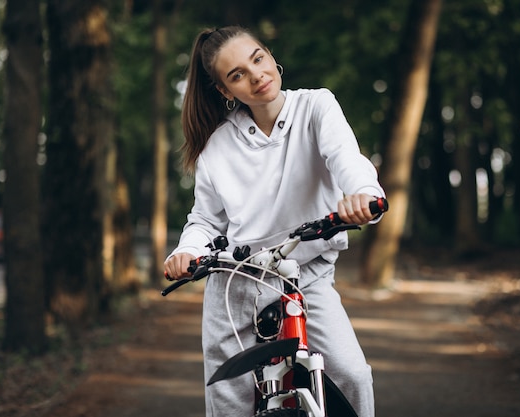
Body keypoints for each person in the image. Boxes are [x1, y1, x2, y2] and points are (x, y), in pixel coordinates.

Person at [164, 26, 384, 417]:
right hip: (235, 281)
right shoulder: (217, 147)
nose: (255, 75)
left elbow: (346, 159)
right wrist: (186, 251)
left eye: (257, 59)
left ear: (269, 54)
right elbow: (204, 220)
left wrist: (363, 193)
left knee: (352, 375)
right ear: (226, 92)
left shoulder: (316, 107)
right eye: (236, 75)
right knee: (228, 398)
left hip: (304, 275)